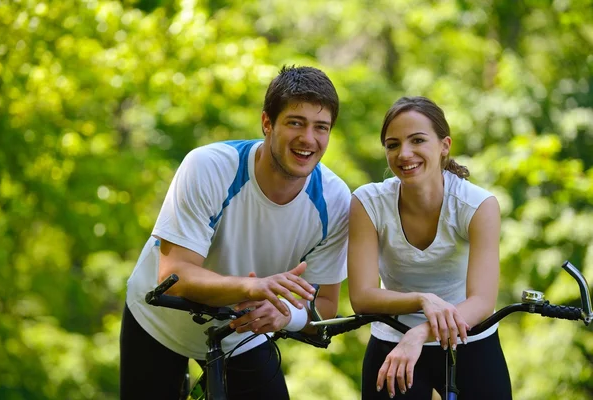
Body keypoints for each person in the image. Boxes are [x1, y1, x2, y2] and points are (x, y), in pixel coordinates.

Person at [120, 65, 351, 400]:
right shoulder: (209, 166)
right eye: (295, 123)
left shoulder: (335, 200)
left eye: (321, 127)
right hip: (159, 319)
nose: (308, 139)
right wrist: (253, 287)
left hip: (240, 332)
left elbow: (326, 304)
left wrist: (286, 314)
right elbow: (174, 276)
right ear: (267, 123)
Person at [348, 96, 512, 399]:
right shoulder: (367, 202)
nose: (404, 153)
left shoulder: (477, 205)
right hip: (392, 341)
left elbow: (482, 301)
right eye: (392, 144)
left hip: (470, 339)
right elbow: (361, 297)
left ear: (444, 145)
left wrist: (420, 333)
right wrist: (422, 301)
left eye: (417, 140)